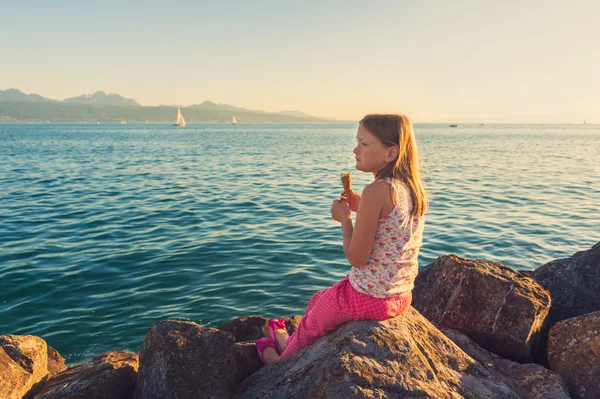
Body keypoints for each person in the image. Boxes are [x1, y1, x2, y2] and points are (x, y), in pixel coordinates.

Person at [256, 114, 428, 365]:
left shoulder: (375, 191)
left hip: (370, 298)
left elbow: (357, 258)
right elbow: (388, 222)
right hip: (399, 295)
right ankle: (286, 338)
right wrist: (360, 205)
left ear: (390, 153)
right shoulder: (408, 188)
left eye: (364, 144)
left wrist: (345, 219)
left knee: (311, 327)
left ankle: (276, 358)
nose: (355, 150)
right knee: (318, 299)